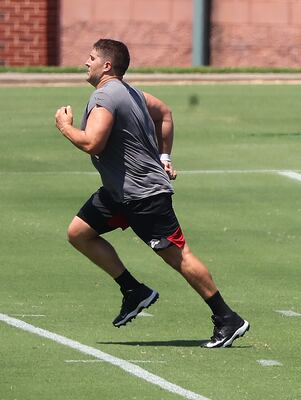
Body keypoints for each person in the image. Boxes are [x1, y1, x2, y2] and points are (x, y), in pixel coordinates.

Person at [54, 39, 249, 348]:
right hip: (117, 193)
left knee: (179, 257)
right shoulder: (130, 91)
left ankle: (227, 318)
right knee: (79, 232)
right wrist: (164, 158)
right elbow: (165, 112)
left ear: (107, 66)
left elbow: (93, 143)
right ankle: (133, 291)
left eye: (91, 58)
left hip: (143, 196)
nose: (85, 63)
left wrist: (65, 126)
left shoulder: (105, 96)